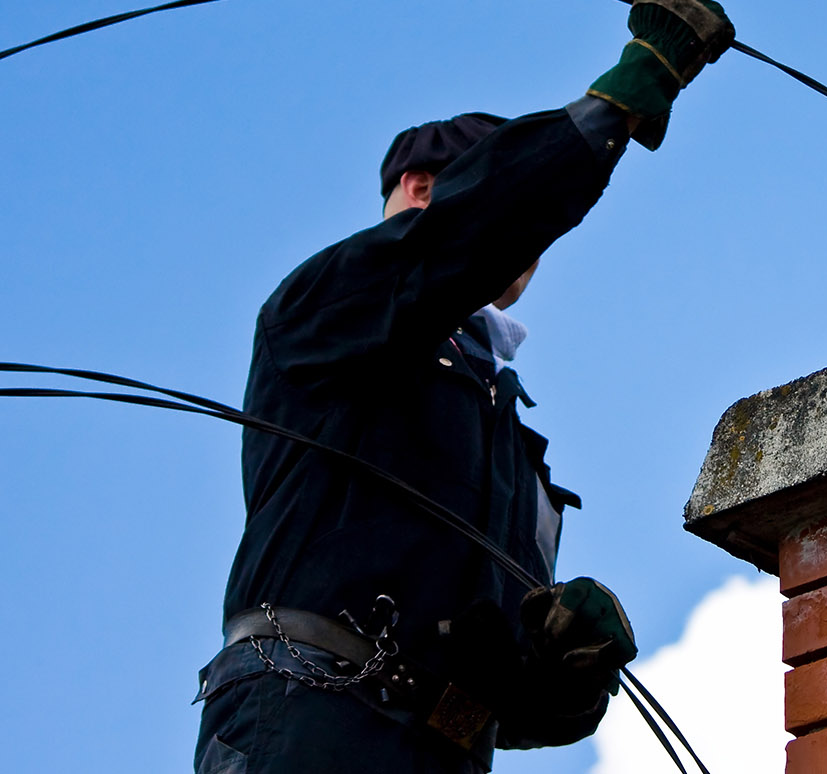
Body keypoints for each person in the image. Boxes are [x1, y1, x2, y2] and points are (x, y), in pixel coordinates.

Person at [192, 3, 734, 772]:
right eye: (520, 206)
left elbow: (518, 712)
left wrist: (568, 667)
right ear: (419, 187)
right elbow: (462, 238)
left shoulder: (514, 455)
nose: (535, 241)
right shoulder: (324, 308)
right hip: (307, 722)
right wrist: (620, 100)